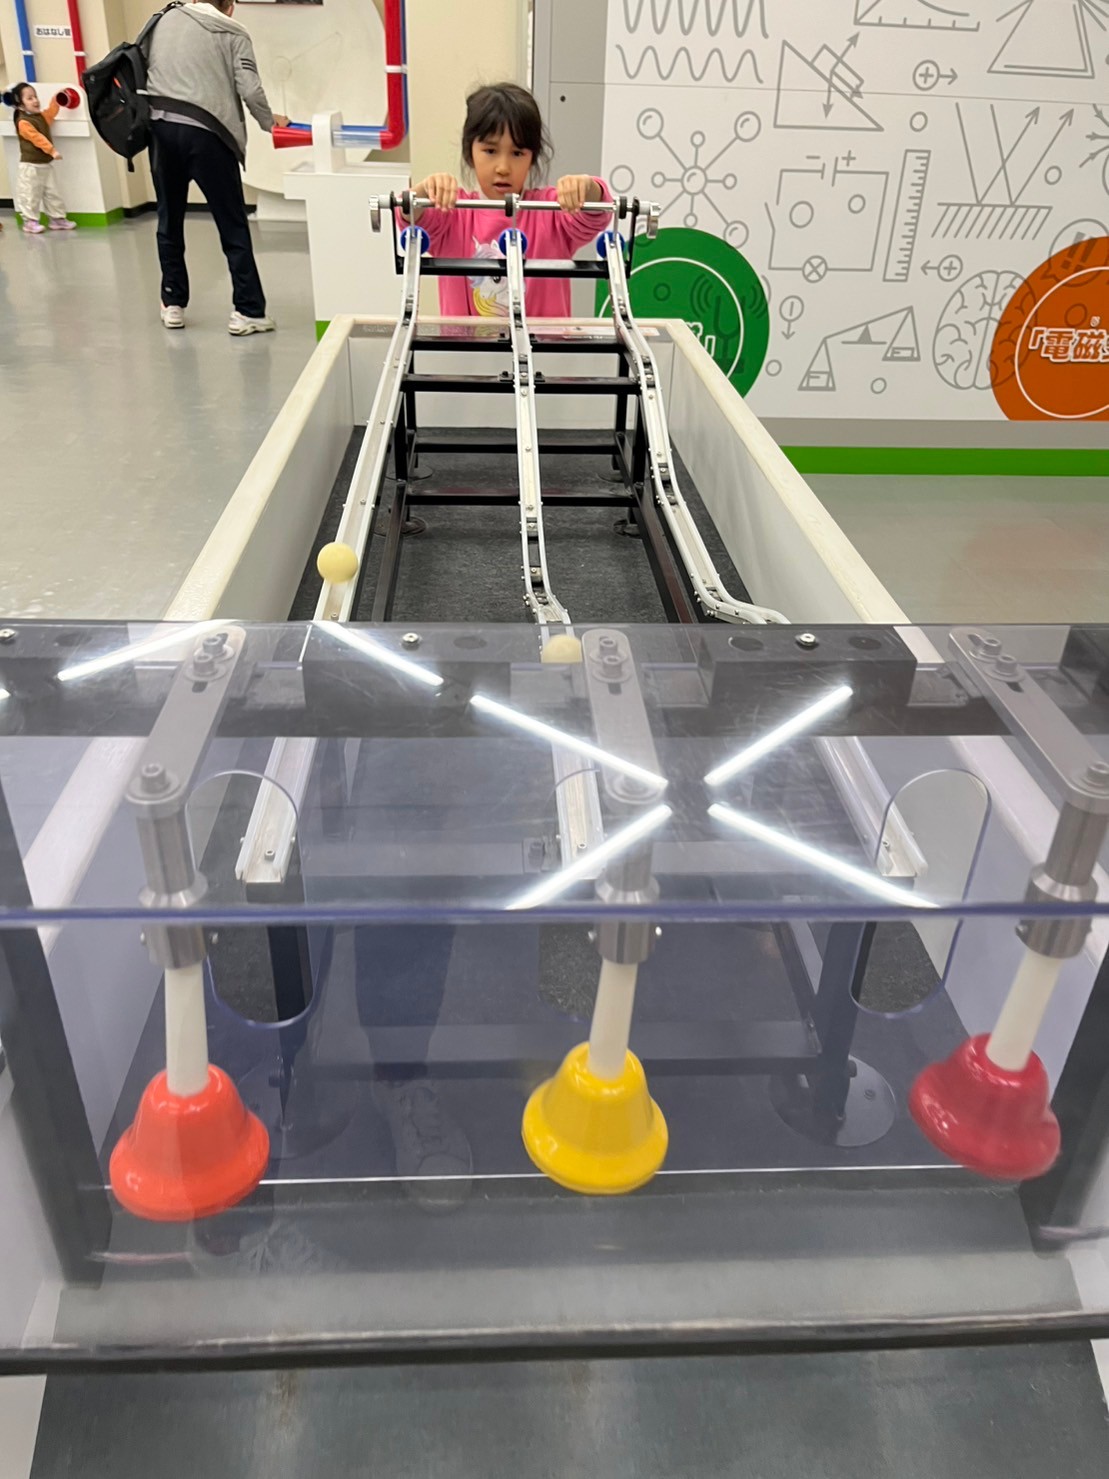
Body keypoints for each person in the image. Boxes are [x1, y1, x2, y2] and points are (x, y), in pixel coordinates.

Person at [400, 82, 612, 318]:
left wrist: (587, 188)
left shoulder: (550, 210)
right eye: (490, 151)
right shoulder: (451, 211)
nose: (503, 167)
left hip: (544, 343)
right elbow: (407, 216)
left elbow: (596, 214)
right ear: (469, 152)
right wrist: (425, 191)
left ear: (532, 158)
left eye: (517, 153)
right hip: (462, 344)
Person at [143, 0, 289, 333]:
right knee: (232, 223)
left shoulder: (164, 18)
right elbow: (250, 90)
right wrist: (270, 122)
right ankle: (248, 311)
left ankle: (173, 303)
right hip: (209, 134)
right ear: (230, 6)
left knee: (169, 219)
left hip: (161, 129)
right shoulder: (233, 31)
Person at [9, 83, 75, 235]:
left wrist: (57, 99)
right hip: (30, 167)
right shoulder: (23, 122)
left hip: (45, 165)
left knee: (52, 193)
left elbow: (51, 112)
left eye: (35, 97)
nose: (35, 100)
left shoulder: (41, 117)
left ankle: (57, 218)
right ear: (20, 104)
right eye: (30, 98)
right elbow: (37, 138)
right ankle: (30, 222)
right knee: (30, 194)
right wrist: (52, 151)